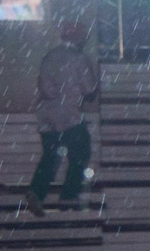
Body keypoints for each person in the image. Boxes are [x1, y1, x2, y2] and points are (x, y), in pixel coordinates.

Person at [26, 18, 101, 216]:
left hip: (46, 116)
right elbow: (89, 89)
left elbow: (44, 87)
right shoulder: (79, 59)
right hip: (69, 115)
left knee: (51, 156)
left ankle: (36, 191)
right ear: (80, 38)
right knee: (80, 153)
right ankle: (69, 195)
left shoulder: (49, 57)